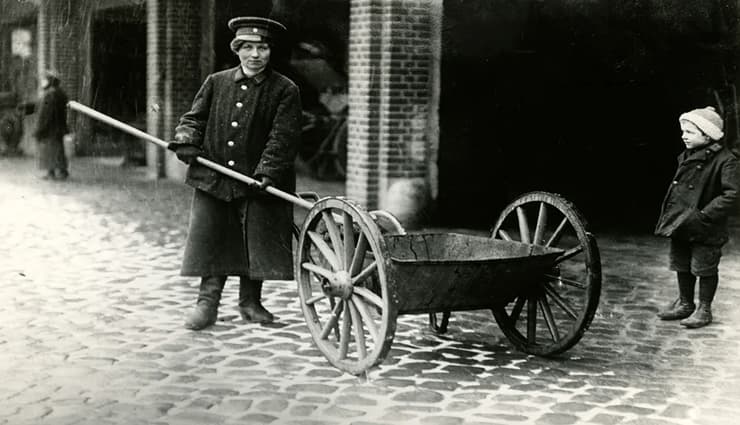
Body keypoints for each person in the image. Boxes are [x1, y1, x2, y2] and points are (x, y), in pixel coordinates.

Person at [168, 17, 302, 330]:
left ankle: (250, 303)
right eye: (248, 48)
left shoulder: (285, 89)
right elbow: (193, 119)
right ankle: (207, 305)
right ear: (237, 50)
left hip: (258, 181)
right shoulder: (216, 82)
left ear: (271, 51)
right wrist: (187, 140)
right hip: (215, 178)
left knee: (253, 240)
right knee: (212, 237)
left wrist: (266, 172)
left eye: (263, 47)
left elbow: (283, 137)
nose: (256, 55)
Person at [654, 106, 738, 328]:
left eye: (689, 132)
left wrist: (705, 214)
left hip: (705, 225)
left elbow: (733, 194)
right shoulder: (687, 155)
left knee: (704, 267)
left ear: (707, 134)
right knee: (681, 263)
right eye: (683, 131)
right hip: (682, 221)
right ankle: (685, 303)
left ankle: (704, 309)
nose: (683, 136)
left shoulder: (726, 160)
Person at [34, 70, 69, 180]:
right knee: (58, 149)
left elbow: (45, 114)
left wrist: (40, 128)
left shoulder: (50, 94)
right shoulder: (59, 92)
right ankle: (62, 171)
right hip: (58, 126)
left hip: (50, 127)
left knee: (50, 150)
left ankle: (52, 172)